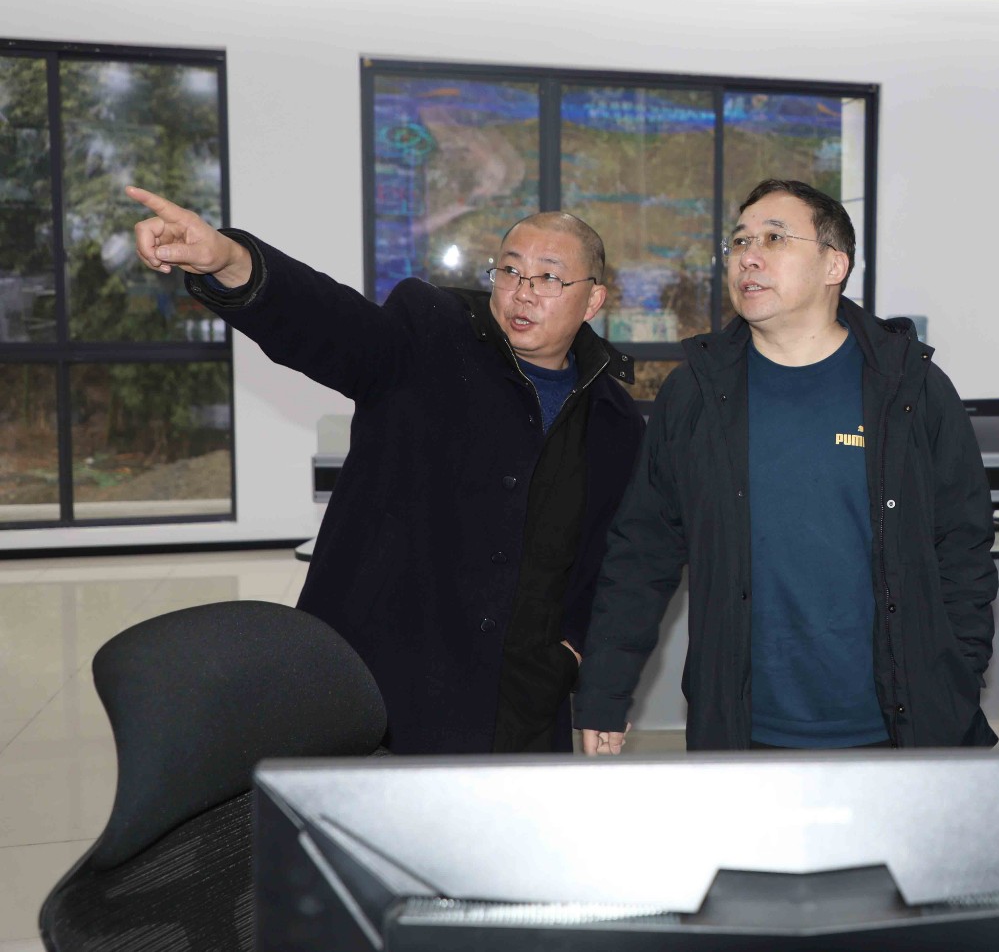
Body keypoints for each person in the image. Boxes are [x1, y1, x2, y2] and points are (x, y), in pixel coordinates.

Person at [126, 186, 644, 754]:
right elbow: (332, 324)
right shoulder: (431, 333)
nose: (522, 292)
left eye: (548, 278)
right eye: (510, 270)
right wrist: (231, 261)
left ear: (592, 300)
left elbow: (609, 563)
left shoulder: (613, 420)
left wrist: (574, 654)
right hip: (383, 688)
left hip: (519, 704)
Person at [572, 179, 998, 753]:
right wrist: (605, 690)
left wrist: (956, 678)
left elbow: (963, 547)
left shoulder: (909, 387)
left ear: (834, 265)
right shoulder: (696, 393)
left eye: (774, 238)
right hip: (744, 730)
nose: (748, 256)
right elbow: (642, 552)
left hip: (898, 728)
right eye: (740, 241)